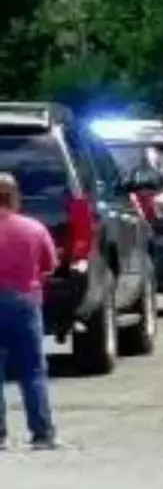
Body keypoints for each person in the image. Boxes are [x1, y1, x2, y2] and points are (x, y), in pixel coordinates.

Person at [0, 173, 57, 450]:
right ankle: (42, 433)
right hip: (25, 300)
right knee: (32, 370)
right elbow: (49, 264)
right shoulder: (34, 228)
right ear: (14, 196)